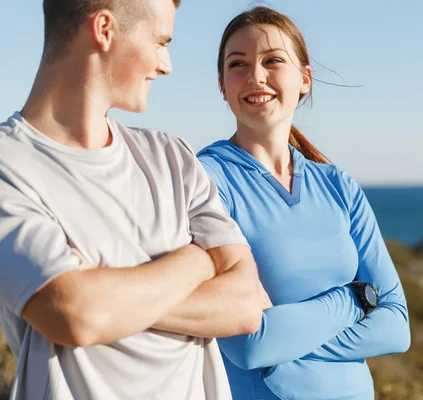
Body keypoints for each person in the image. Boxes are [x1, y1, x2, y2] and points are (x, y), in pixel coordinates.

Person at [0, 1, 269, 399]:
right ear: (104, 29)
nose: (167, 64)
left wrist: (109, 300)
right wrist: (198, 260)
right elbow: (74, 314)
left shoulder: (173, 157)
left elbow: (248, 304)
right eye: (161, 41)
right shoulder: (8, 163)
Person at [196, 6, 411, 400]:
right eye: (237, 64)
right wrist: (353, 299)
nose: (255, 76)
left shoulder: (338, 185)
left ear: (305, 79)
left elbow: (397, 326)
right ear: (223, 85)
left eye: (272, 61)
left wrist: (286, 339)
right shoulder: (205, 181)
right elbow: (248, 346)